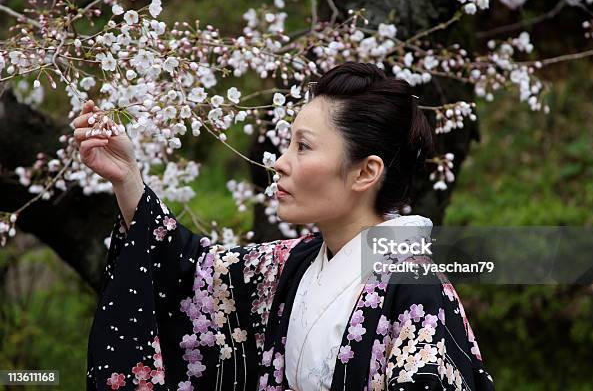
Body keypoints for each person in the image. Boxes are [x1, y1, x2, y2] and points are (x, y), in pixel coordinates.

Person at [75, 62, 495, 390]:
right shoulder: (291, 264)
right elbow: (190, 269)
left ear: (365, 172)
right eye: (288, 143)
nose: (280, 162)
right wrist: (128, 179)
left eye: (304, 146)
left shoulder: (419, 292)